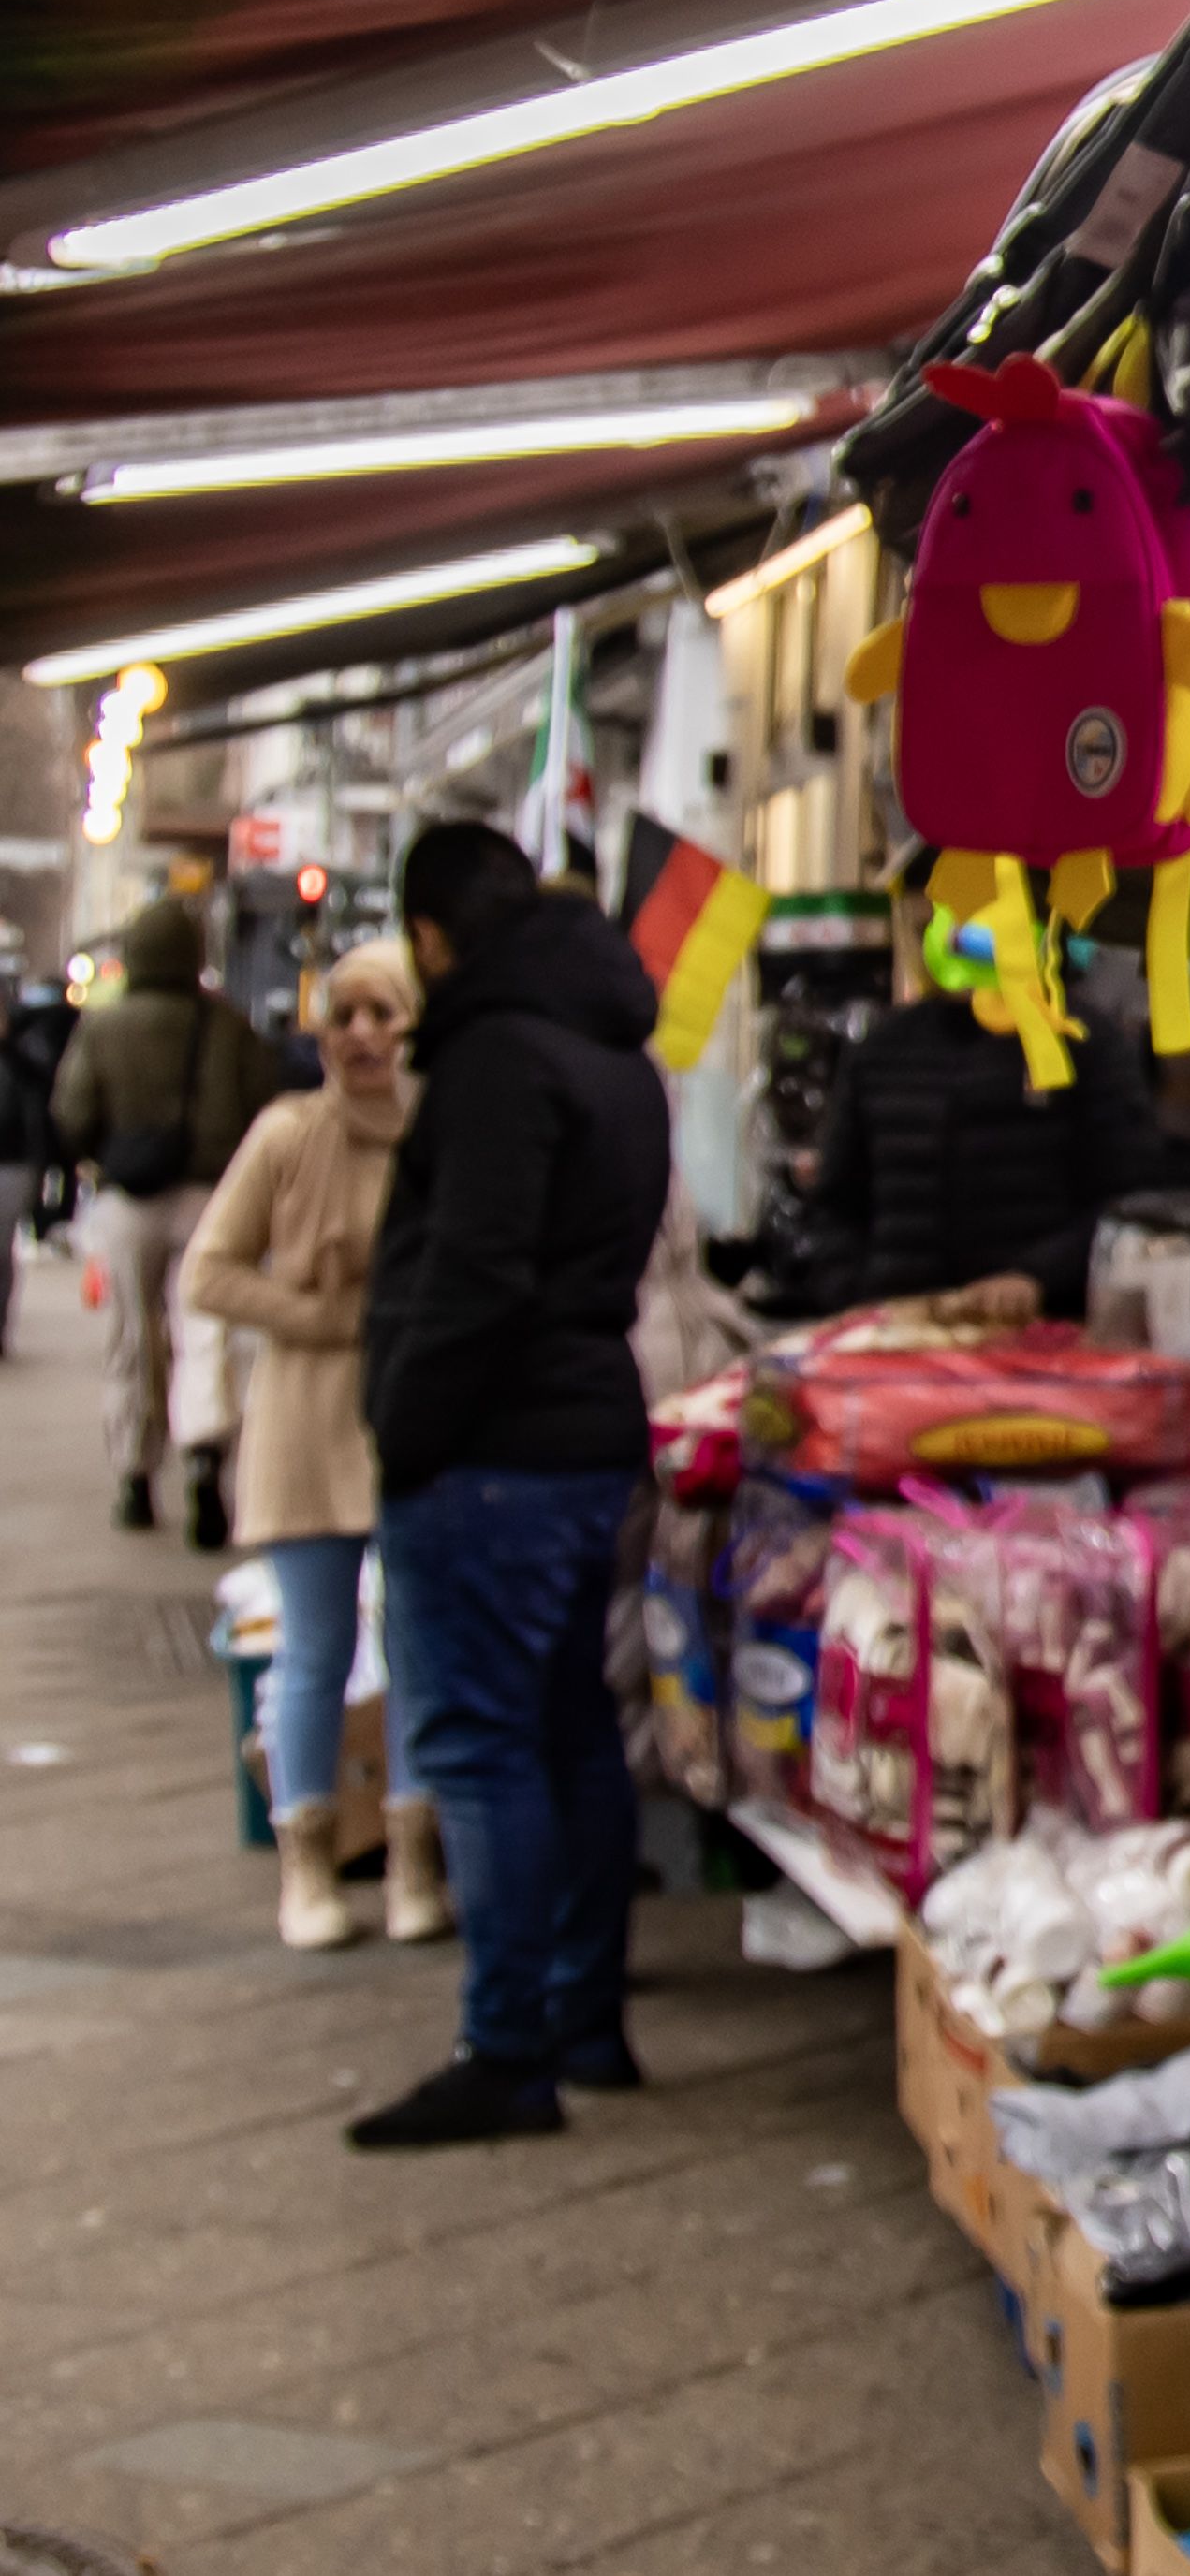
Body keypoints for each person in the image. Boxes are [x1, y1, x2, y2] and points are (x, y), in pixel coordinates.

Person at [349, 825, 671, 2150]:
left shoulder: (497, 1053)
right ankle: (582, 2015)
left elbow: (476, 1268)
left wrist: (405, 1425)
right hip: (586, 1432)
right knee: (567, 1731)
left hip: (493, 1450)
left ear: (432, 936)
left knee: (484, 1746)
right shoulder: (614, 1047)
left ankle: (509, 2046)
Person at [184, 939, 444, 1952]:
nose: (363, 1035)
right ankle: (310, 1861)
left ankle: (415, 1859)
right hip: (303, 1414)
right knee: (313, 1646)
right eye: (345, 1015)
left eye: (385, 1014)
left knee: (419, 1645)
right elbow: (211, 1270)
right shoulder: (286, 1134)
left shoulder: (437, 1137)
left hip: (408, 1416)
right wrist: (318, 1315)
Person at [811, 915, 1177, 1325]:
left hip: (1042, 1339)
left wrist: (1037, 1276)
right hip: (899, 1339)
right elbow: (835, 1206)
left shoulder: (1086, 1042)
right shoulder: (882, 1050)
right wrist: (852, 1295)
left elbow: (1132, 1204)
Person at [51, 899, 282, 1542]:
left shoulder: (103, 1027)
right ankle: (204, 1462)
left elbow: (72, 1112)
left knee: (132, 1336)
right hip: (211, 1198)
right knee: (207, 1332)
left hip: (128, 1201)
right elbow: (266, 1105)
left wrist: (107, 1155)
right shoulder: (228, 1026)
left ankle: (134, 1474)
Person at [0, 976, 72, 1354]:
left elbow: (42, 1097)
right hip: (19, 1159)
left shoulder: (24, 1055)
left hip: (13, 1160)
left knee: (1, 1245)